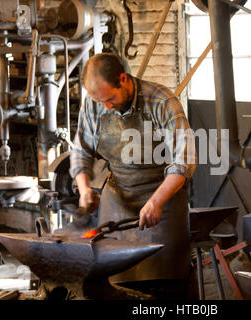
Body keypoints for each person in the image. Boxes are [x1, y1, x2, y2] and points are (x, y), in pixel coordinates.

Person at [70, 53, 197, 299]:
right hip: (118, 201)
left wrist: (156, 201)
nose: (105, 106)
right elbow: (81, 149)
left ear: (123, 79)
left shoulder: (162, 102)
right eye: (100, 100)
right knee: (116, 285)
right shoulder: (94, 103)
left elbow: (184, 159)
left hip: (164, 201)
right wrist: (84, 188)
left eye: (110, 98)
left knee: (167, 284)